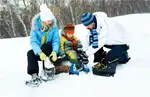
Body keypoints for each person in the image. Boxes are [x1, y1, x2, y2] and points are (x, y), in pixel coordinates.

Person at [80, 12, 130, 76]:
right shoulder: (94, 25)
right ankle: (100, 58)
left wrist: (86, 55)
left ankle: (123, 56)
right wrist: (83, 52)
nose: (86, 27)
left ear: (92, 21)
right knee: (93, 41)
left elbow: (99, 42)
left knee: (109, 59)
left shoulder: (103, 24)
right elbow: (88, 39)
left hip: (122, 43)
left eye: (87, 25)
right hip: (111, 42)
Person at [26, 4, 60, 87]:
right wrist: (39, 52)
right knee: (30, 53)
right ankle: (34, 76)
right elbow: (33, 42)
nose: (50, 22)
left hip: (52, 52)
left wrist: (55, 51)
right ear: (43, 20)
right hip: (41, 53)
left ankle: (48, 70)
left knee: (46, 46)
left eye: (51, 20)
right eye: (48, 21)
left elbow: (56, 41)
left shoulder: (54, 28)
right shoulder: (35, 29)